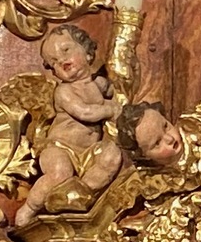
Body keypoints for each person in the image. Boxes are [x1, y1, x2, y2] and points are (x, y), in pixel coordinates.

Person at [16, 25, 123, 228]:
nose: (62, 61)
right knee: (59, 173)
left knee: (112, 157)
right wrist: (111, 109)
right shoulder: (64, 92)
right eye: (54, 62)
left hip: (89, 152)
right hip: (60, 148)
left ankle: (83, 191)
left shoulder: (100, 84)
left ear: (87, 52)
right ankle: (29, 208)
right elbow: (85, 113)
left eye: (66, 50)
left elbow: (120, 90)